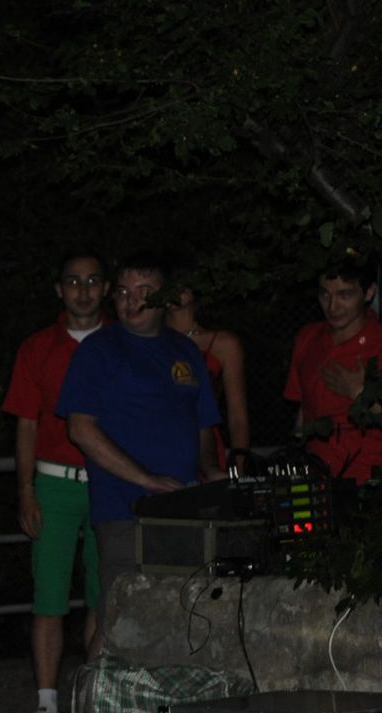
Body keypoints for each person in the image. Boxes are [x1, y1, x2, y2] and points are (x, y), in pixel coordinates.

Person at [56, 251, 224, 660]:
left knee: (183, 614)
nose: (131, 301)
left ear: (165, 298)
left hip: (183, 510)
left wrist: (211, 472)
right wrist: (147, 480)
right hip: (124, 510)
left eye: (143, 291)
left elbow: (203, 423)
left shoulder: (185, 352)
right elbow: (80, 428)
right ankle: (94, 699)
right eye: (124, 292)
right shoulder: (99, 350)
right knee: (119, 615)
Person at [2, 253, 107, 713]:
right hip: (54, 482)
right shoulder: (37, 347)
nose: (83, 290)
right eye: (73, 281)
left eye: (92, 281)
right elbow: (25, 423)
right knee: (49, 598)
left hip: (109, 481)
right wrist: (25, 489)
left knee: (105, 598)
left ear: (105, 288)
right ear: (59, 289)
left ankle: (95, 706)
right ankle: (46, 707)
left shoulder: (121, 344)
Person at [284, 256, 382, 484]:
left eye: (345, 295)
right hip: (316, 483)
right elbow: (304, 410)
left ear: (369, 293)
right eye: (324, 295)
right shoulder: (308, 338)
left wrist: (360, 395)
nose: (332, 307)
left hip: (374, 484)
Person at [164, 276, 251, 473]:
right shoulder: (148, 340)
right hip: (159, 444)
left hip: (206, 447)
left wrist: (239, 468)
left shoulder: (223, 344)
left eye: (182, 283)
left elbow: (237, 416)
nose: (175, 290)